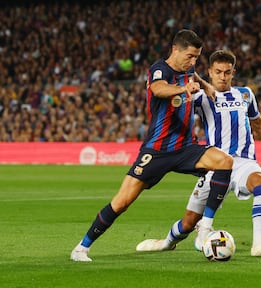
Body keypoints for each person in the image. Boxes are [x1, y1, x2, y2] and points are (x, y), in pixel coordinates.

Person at [70, 29, 234, 262]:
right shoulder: (159, 70)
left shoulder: (189, 69)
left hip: (186, 147)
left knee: (224, 162)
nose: (193, 61)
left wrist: (206, 86)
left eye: (197, 57)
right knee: (122, 201)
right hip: (156, 151)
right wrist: (183, 89)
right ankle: (81, 248)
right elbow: (158, 89)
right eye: (190, 56)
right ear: (175, 50)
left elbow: (193, 76)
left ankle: (205, 226)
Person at [136, 50, 261, 257]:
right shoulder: (200, 97)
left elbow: (258, 124)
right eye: (218, 72)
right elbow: (175, 112)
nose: (223, 76)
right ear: (209, 72)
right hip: (215, 164)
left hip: (244, 162)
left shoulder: (245, 94)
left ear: (233, 73)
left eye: (227, 72)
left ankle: (259, 244)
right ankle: (166, 242)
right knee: (189, 222)